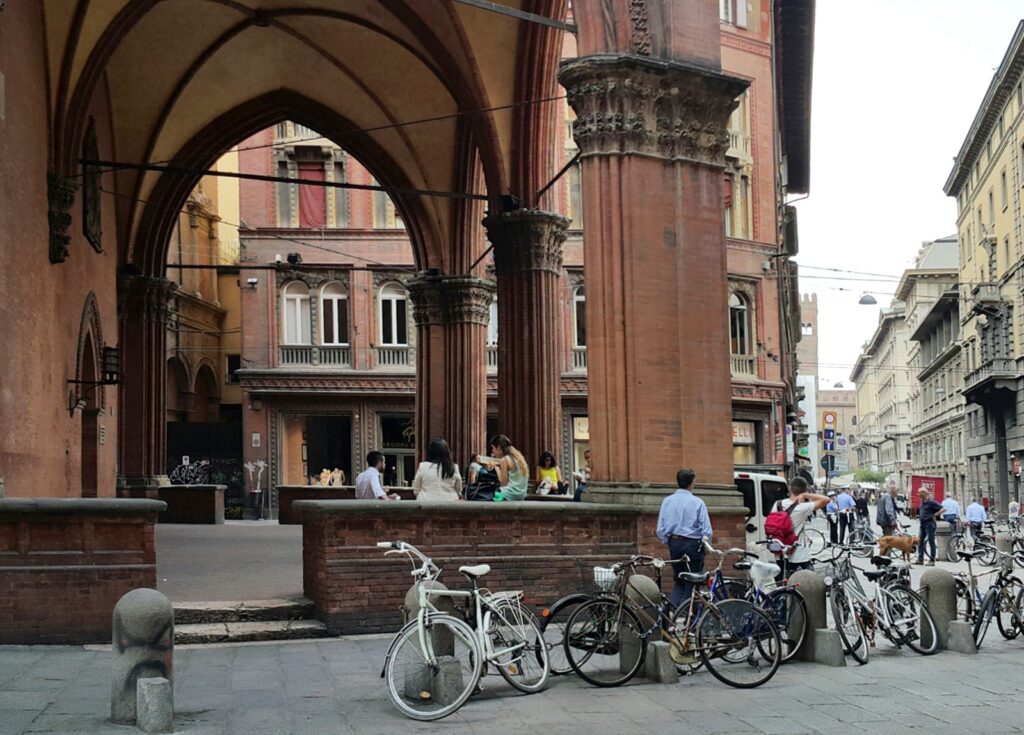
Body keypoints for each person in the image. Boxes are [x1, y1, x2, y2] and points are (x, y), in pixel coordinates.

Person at [656, 468, 713, 608]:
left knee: (679, 580)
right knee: (693, 582)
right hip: (693, 544)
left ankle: (672, 614)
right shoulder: (697, 502)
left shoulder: (667, 501)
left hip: (674, 543)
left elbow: (660, 529)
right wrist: (707, 546)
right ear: (692, 482)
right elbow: (707, 530)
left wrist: (669, 541)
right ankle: (689, 614)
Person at [774, 478, 831, 580]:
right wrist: (806, 495)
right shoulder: (803, 507)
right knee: (806, 584)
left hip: (780, 553)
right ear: (805, 490)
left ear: (789, 488)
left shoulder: (778, 504)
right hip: (798, 555)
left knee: (782, 585)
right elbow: (826, 499)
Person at [480, 434, 529, 501]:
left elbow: (503, 483)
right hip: (521, 495)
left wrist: (496, 467)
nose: (493, 451)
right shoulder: (519, 458)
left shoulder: (504, 460)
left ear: (499, 447)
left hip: (509, 494)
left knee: (482, 492)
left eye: (493, 448)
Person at [917, 488, 944, 566]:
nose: (918, 495)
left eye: (919, 493)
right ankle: (920, 559)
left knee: (931, 542)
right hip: (922, 524)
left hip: (929, 524)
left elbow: (943, 508)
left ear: (924, 493)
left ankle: (932, 560)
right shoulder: (922, 501)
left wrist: (936, 514)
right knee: (920, 541)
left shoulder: (931, 502)